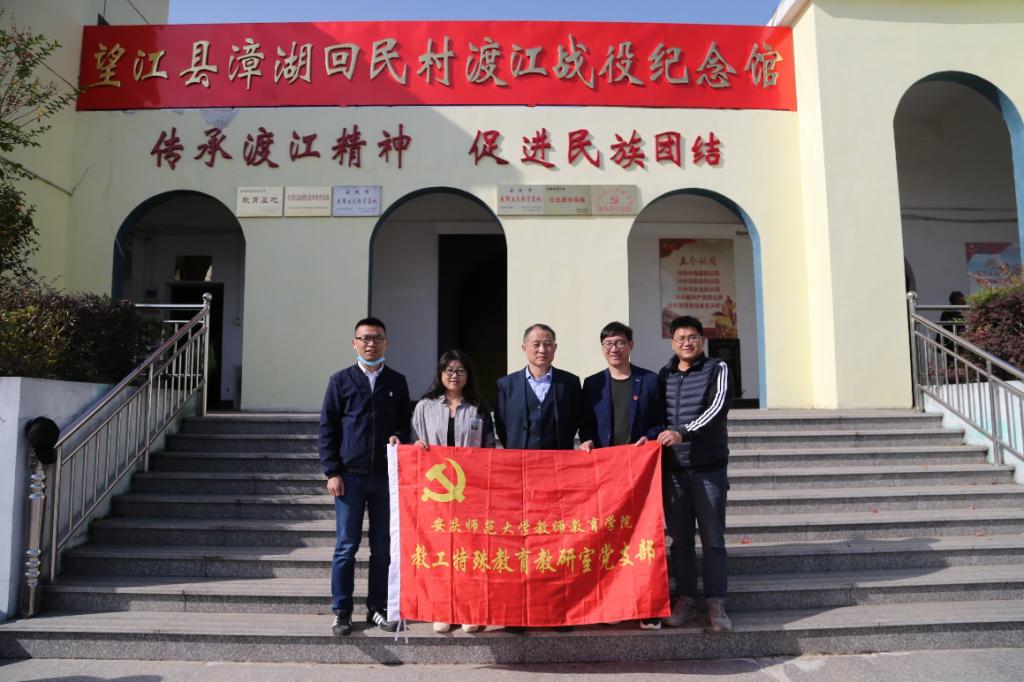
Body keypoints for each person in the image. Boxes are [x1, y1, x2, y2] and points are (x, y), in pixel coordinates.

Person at [318, 316, 411, 637]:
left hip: (385, 479)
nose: (371, 343)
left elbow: (405, 423)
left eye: (377, 338)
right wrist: (332, 471)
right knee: (346, 546)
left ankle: (378, 608)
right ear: (354, 343)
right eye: (365, 338)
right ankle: (342, 611)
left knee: (383, 549)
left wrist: (400, 436)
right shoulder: (340, 381)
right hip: (350, 477)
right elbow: (327, 429)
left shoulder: (397, 382)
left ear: (386, 343)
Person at [495, 322, 581, 633]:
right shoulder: (506, 385)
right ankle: (517, 612)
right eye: (536, 344)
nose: (542, 350)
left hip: (557, 477)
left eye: (547, 344)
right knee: (519, 545)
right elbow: (503, 427)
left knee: (555, 544)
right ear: (524, 349)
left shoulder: (570, 383)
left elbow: (577, 421)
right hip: (519, 478)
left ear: (555, 348)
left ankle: (557, 611)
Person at [579, 321, 664, 630]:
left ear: (631, 345)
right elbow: (586, 425)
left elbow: (661, 422)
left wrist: (649, 437)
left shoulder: (650, 381)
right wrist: (586, 440)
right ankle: (610, 603)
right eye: (608, 344)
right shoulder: (592, 384)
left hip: (639, 473)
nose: (614, 349)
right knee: (607, 538)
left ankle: (647, 605)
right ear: (602, 349)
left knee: (641, 537)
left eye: (619, 342)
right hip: (604, 474)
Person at [656, 315, 734, 633]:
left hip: (708, 469)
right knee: (681, 541)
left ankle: (716, 604)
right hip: (674, 471)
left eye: (692, 337)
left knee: (713, 539)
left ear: (702, 340)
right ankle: (686, 600)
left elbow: (717, 409)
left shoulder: (717, 368)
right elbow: (655, 415)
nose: (686, 343)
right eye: (681, 338)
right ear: (672, 342)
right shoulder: (665, 375)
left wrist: (683, 432)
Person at [411, 349, 496, 634]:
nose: (454, 375)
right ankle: (443, 610)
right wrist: (416, 446)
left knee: (470, 551)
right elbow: (414, 441)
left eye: (460, 370)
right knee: (439, 552)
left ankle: (470, 610)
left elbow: (488, 449)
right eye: (448, 370)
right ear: (440, 374)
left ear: (468, 375)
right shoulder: (425, 406)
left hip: (469, 492)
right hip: (436, 492)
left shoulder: (478, 408)